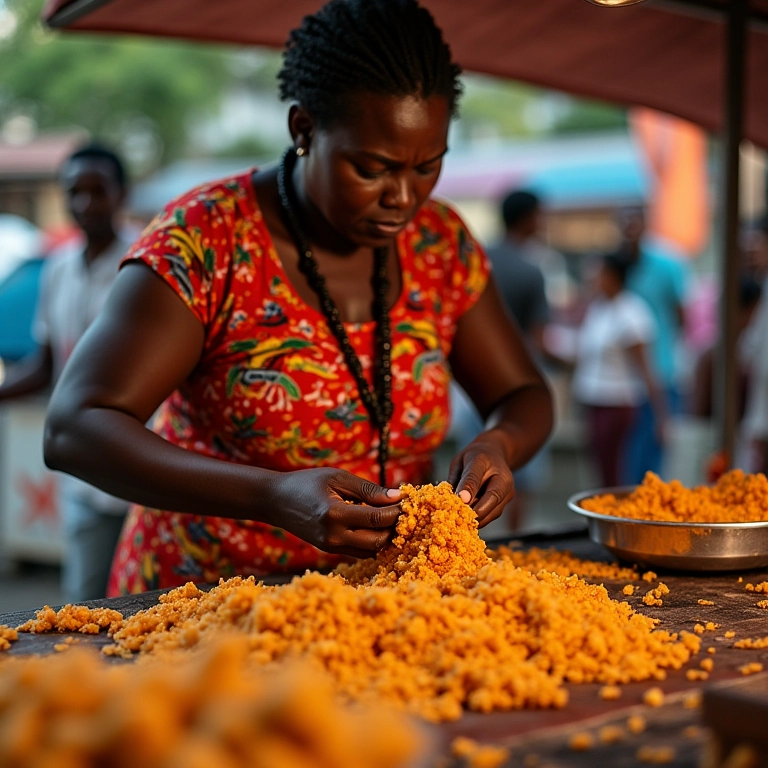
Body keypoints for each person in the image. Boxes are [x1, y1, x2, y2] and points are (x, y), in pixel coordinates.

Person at [43, 0, 554, 596]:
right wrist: (269, 494)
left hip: (375, 605)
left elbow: (522, 393)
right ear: (304, 129)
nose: (403, 198)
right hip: (204, 603)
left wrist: (499, 442)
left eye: (427, 167)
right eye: (372, 168)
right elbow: (75, 428)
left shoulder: (441, 244)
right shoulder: (207, 238)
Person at [0, 142, 132, 603]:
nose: (85, 203)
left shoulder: (143, 264)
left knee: (153, 604)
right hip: (86, 472)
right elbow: (46, 365)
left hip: (150, 472)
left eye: (98, 190)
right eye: (75, 191)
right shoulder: (58, 269)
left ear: (122, 193)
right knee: (85, 605)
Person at [457, 189, 552, 529]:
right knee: (512, 473)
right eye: (541, 215)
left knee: (469, 471)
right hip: (514, 382)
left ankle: (471, 533)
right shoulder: (530, 270)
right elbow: (540, 338)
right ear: (528, 219)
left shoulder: (481, 257)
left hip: (469, 385)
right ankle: (512, 537)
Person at [572, 254, 664, 487]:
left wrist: (662, 416)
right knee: (602, 470)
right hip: (595, 400)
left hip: (618, 403)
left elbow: (646, 368)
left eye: (599, 273)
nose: (594, 279)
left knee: (618, 472)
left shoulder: (632, 313)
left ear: (613, 277)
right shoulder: (599, 308)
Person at [611, 206, 688, 483]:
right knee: (628, 458)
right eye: (624, 221)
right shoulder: (616, 266)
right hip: (623, 382)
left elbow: (681, 316)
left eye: (635, 220)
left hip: (660, 371)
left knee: (654, 456)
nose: (629, 227)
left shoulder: (667, 265)